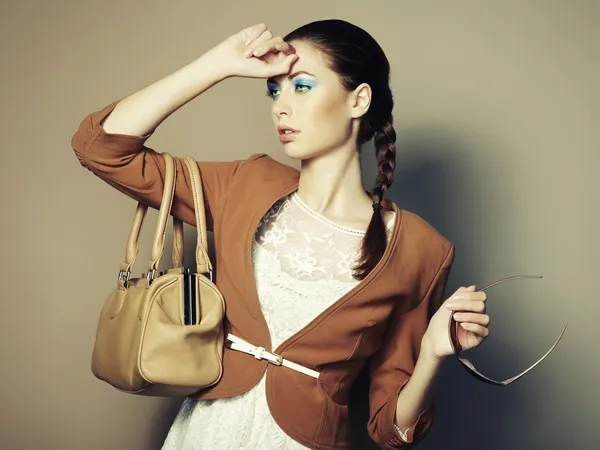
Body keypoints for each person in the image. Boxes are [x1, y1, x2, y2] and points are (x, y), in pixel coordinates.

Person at [71, 20, 490, 450]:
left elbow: (392, 433)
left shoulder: (421, 250)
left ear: (358, 99)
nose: (280, 107)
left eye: (301, 87)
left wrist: (433, 355)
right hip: (203, 435)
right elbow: (100, 148)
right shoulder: (247, 184)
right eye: (274, 90)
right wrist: (216, 66)